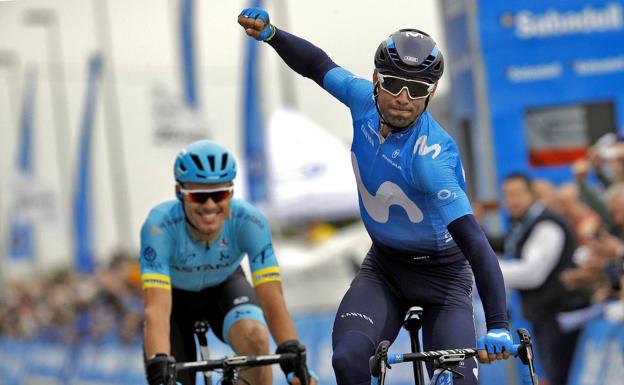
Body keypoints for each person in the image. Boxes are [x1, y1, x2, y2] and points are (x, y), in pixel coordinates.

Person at [238, 8, 512, 385]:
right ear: (374, 80)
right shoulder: (361, 102)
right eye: (393, 83)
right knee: (348, 360)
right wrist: (272, 35)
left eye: (416, 89)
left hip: (443, 277)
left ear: (430, 93)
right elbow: (317, 65)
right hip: (385, 268)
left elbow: (476, 243)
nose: (403, 97)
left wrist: (498, 324)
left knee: (455, 382)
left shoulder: (433, 158)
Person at [140, 140, 314, 385]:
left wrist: (290, 348)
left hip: (225, 287)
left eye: (219, 194)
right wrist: (158, 362)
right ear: (180, 194)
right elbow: (155, 309)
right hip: (174, 301)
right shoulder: (159, 227)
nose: (210, 205)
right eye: (199, 197)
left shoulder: (250, 222)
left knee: (257, 339)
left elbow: (271, 296)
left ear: (231, 192)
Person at [497, 173, 591, 385]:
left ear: (532, 194)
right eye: (507, 195)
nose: (512, 200)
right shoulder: (523, 225)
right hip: (545, 317)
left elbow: (533, 274)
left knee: (561, 377)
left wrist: (489, 272)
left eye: (517, 193)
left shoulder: (547, 224)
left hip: (562, 317)